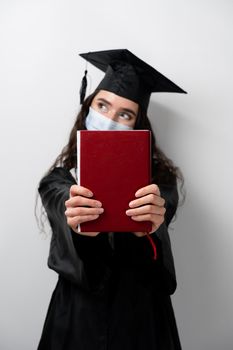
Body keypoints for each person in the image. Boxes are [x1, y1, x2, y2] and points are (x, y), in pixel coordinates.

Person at [37, 49, 186, 350]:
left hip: (143, 319)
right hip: (78, 320)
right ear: (88, 107)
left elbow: (162, 215)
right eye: (102, 105)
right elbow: (60, 200)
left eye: (125, 114)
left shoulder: (160, 184)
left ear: (137, 125)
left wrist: (150, 224)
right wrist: (79, 218)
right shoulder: (59, 180)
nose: (109, 120)